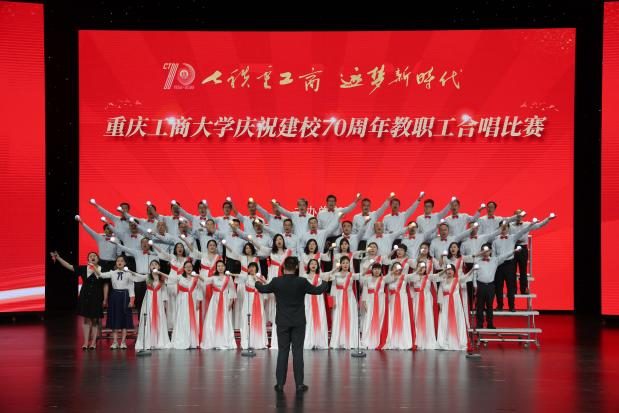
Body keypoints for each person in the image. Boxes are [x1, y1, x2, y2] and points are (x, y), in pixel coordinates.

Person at [254, 256, 330, 393]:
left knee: (282, 352)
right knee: (297, 352)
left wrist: (257, 282)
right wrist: (325, 281)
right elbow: (318, 291)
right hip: (298, 321)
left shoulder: (277, 281)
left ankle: (279, 384)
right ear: (296, 267)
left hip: (282, 321)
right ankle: (299, 384)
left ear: (283, 267)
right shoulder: (302, 281)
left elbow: (263, 289)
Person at [50, 250, 104, 350]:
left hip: (97, 296)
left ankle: (93, 343)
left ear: (98, 259)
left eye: (94, 256)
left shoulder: (102, 269)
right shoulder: (83, 268)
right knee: (86, 319)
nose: (92, 257)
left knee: (95, 320)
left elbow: (105, 284)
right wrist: (58, 258)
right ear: (88, 259)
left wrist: (105, 299)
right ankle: (85, 342)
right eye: (90, 256)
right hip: (85, 296)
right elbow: (69, 266)